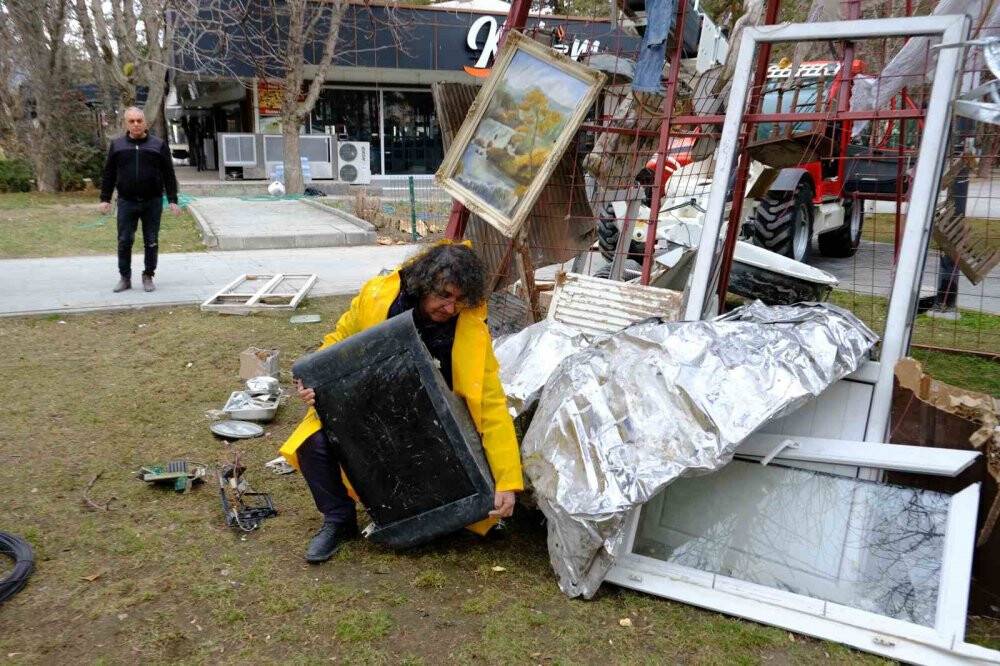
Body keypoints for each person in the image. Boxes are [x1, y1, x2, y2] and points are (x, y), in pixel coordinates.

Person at [279, 242, 524, 563]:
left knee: (450, 476)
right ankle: (339, 520)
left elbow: (492, 405)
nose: (450, 308)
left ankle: (431, 516)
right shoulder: (377, 298)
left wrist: (507, 482)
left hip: (430, 423)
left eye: (460, 300)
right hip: (367, 409)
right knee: (313, 442)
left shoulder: (471, 332)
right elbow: (338, 341)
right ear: (423, 284)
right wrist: (311, 382)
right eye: (444, 295)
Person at [99, 107, 181, 293]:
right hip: (126, 202)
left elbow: (168, 174)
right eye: (132, 121)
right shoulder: (118, 146)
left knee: (151, 240)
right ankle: (125, 277)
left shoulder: (158, 145)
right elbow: (109, 174)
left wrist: (173, 199)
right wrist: (105, 198)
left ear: (145, 123)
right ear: (126, 124)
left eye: (139, 121)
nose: (136, 124)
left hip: (152, 201)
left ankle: (148, 275)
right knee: (124, 240)